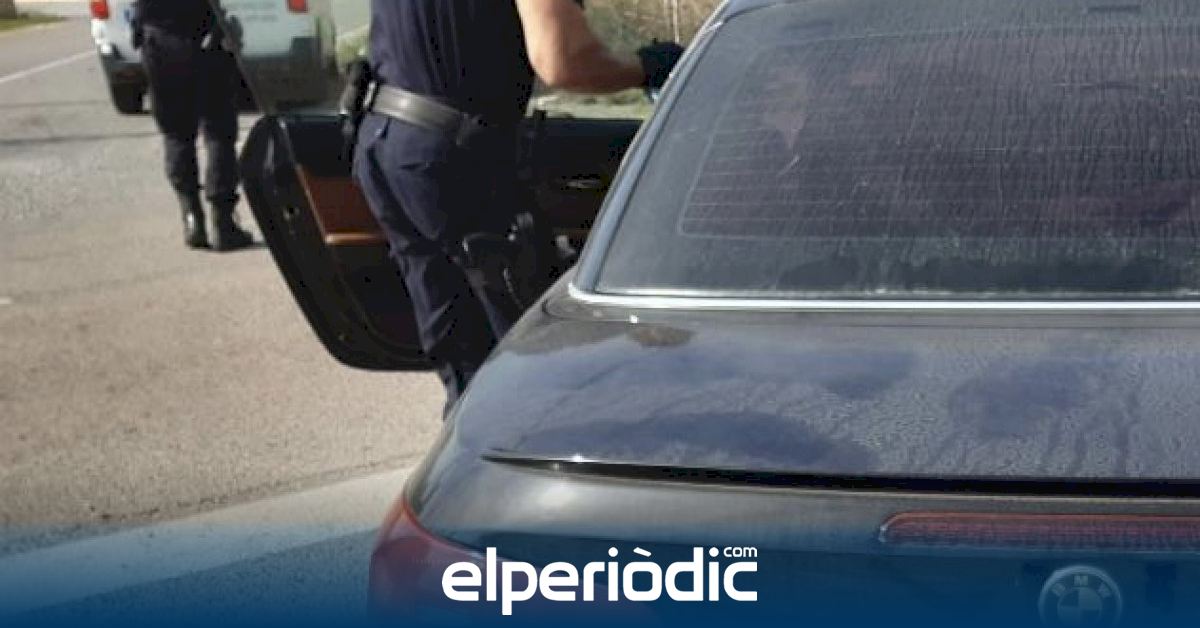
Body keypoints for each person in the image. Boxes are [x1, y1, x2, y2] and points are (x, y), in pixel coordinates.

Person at [353, 0, 683, 409]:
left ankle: (470, 439)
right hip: (452, 156)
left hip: (384, 143)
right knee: (529, 358)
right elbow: (563, 61)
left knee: (461, 351)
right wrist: (648, 66)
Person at [131, 0, 254, 252]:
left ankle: (192, 218)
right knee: (218, 131)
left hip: (159, 43)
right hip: (205, 40)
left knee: (177, 134)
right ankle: (222, 221)